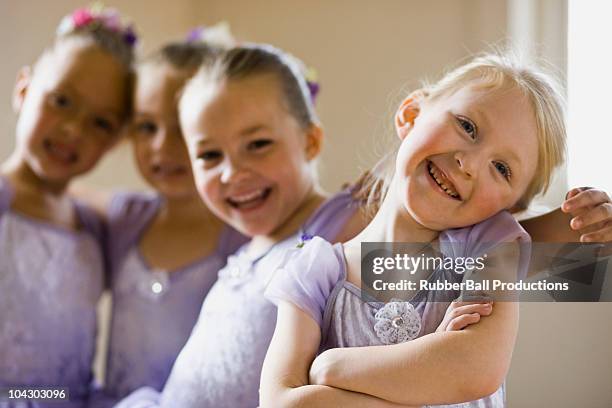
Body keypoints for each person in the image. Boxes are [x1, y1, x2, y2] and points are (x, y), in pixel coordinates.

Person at [259, 52, 591, 407]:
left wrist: (331, 366)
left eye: (501, 168)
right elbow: (283, 402)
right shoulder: (314, 271)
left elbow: (474, 368)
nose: (469, 164)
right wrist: (430, 362)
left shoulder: (491, 247)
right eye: (467, 126)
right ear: (412, 114)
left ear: (509, 208)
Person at [87, 25, 247, 407]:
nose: (162, 145)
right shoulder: (127, 218)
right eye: (146, 127)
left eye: (182, 126)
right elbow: (50, 196)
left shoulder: (242, 234)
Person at [0, 5, 136, 407]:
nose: (73, 129)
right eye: (61, 100)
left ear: (114, 141)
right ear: (23, 90)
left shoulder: (91, 226)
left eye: (101, 123)